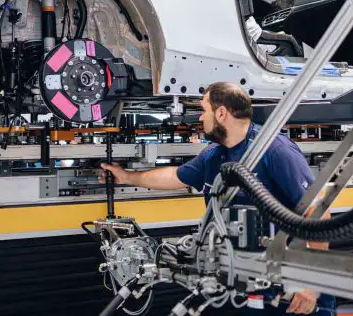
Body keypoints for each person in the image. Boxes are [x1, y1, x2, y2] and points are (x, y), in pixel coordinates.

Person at [100, 82, 336, 315]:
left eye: (204, 110)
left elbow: (319, 214)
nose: (200, 119)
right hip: (241, 284)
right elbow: (175, 176)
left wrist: (311, 283)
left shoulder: (274, 150)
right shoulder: (214, 156)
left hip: (291, 292)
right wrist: (127, 177)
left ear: (221, 113)